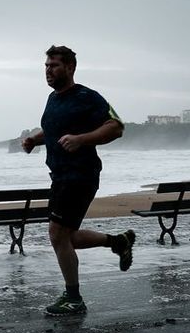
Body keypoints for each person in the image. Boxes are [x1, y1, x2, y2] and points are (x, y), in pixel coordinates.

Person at [22, 45, 135, 316]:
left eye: (54, 66)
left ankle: (74, 299)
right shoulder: (53, 99)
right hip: (60, 177)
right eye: (46, 66)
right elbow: (53, 130)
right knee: (66, 236)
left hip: (80, 175)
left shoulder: (86, 97)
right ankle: (118, 242)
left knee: (57, 234)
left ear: (70, 68)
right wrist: (34, 140)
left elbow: (116, 127)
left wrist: (81, 139)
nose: (48, 71)